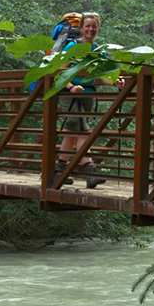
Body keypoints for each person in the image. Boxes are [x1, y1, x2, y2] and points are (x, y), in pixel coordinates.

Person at [57, 12, 120, 188]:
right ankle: (89, 170)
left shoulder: (99, 51)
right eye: (88, 26)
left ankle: (59, 169)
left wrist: (115, 82)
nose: (91, 29)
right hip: (69, 93)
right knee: (81, 129)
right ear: (81, 28)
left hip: (88, 92)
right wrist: (70, 87)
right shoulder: (72, 46)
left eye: (94, 26)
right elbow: (61, 70)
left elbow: (102, 76)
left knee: (72, 131)